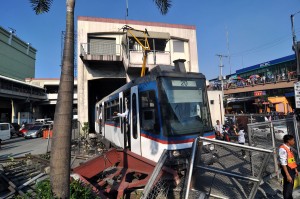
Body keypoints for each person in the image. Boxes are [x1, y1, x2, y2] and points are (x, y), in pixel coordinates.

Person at [279, 135, 298, 199]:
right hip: (287, 170)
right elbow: (283, 163)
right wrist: (287, 175)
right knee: (287, 188)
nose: (294, 141)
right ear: (288, 141)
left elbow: (291, 160)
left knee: (290, 186)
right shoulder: (282, 148)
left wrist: (295, 169)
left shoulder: (289, 148)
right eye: (293, 140)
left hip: (291, 169)